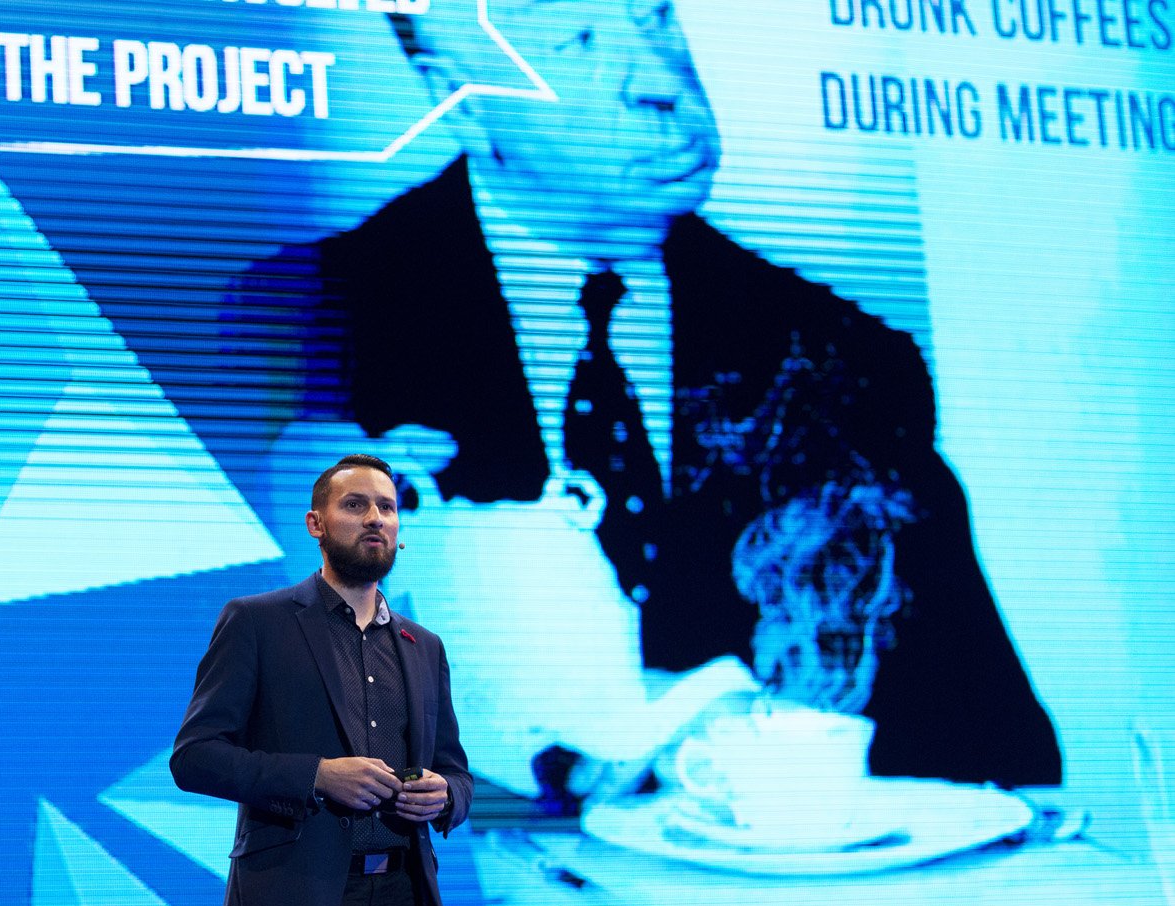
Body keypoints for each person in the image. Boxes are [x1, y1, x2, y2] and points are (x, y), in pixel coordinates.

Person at [221, 0, 1061, 798]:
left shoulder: (845, 357)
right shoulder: (296, 324)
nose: (661, 81)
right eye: (576, 42)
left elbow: (990, 748)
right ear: (460, 98)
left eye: (655, 16)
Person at [171, 454, 472, 906]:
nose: (375, 518)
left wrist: (445, 796)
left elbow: (455, 770)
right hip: (296, 904)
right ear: (316, 524)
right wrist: (317, 776)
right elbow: (195, 757)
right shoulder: (257, 621)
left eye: (386, 507)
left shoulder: (424, 646)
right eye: (355, 505)